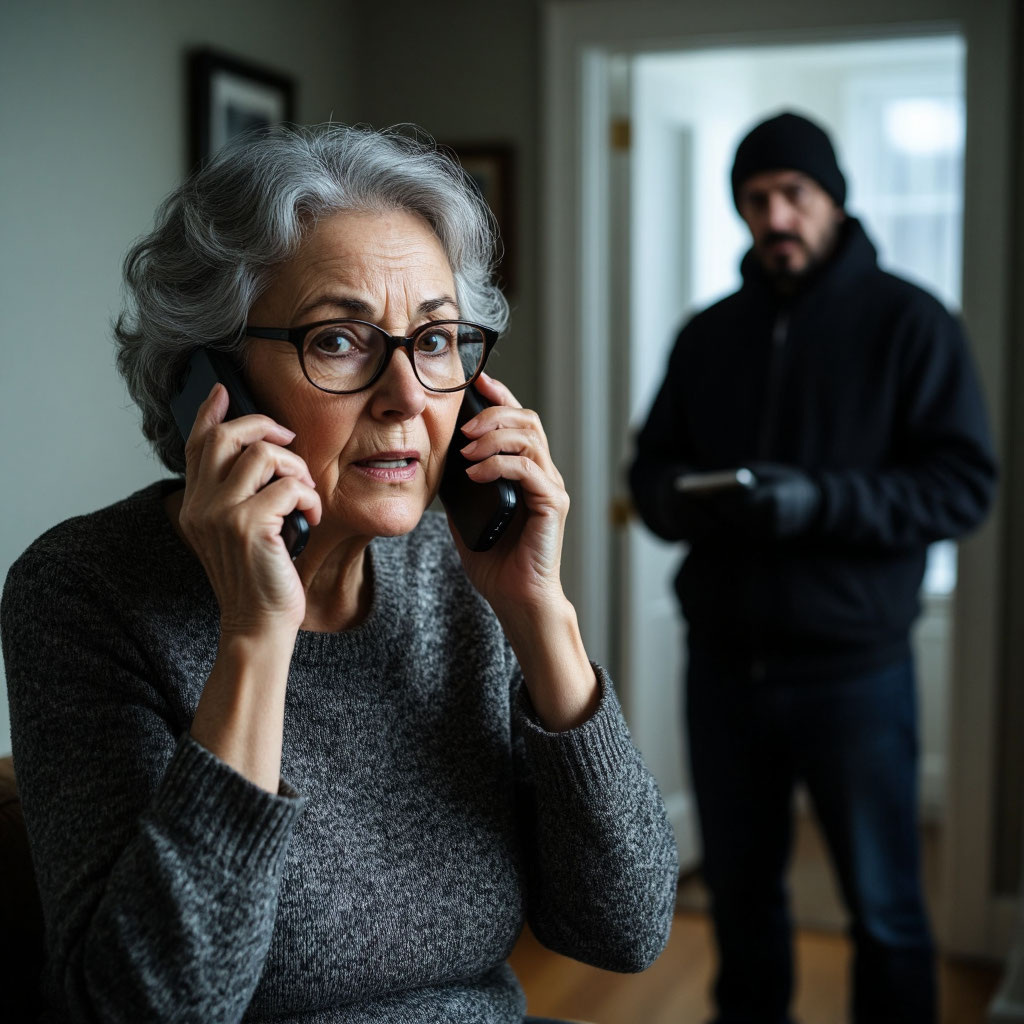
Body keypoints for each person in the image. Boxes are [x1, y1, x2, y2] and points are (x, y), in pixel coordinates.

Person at [1, 124, 679, 1024]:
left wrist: (540, 614)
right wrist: (253, 635)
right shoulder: (84, 590)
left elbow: (626, 929)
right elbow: (151, 1006)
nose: (406, 395)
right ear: (212, 385)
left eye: (436, 340)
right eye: (340, 340)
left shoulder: (461, 575)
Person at [628, 111, 996, 1024]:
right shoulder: (708, 335)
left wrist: (818, 502)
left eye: (796, 194)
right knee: (742, 909)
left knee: (887, 914)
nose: (776, 216)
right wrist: (680, 500)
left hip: (856, 677)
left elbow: (962, 486)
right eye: (757, 200)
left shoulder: (912, 324)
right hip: (723, 672)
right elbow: (649, 471)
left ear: (834, 199)